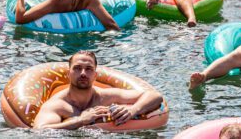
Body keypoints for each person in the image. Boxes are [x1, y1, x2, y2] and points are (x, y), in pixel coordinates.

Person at [33, 51, 163, 130]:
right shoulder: (57, 105)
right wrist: (81, 120)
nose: (83, 73)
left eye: (88, 69)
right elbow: (40, 130)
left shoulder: (106, 96)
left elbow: (154, 96)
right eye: (77, 68)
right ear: (69, 74)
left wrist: (133, 109)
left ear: (95, 75)